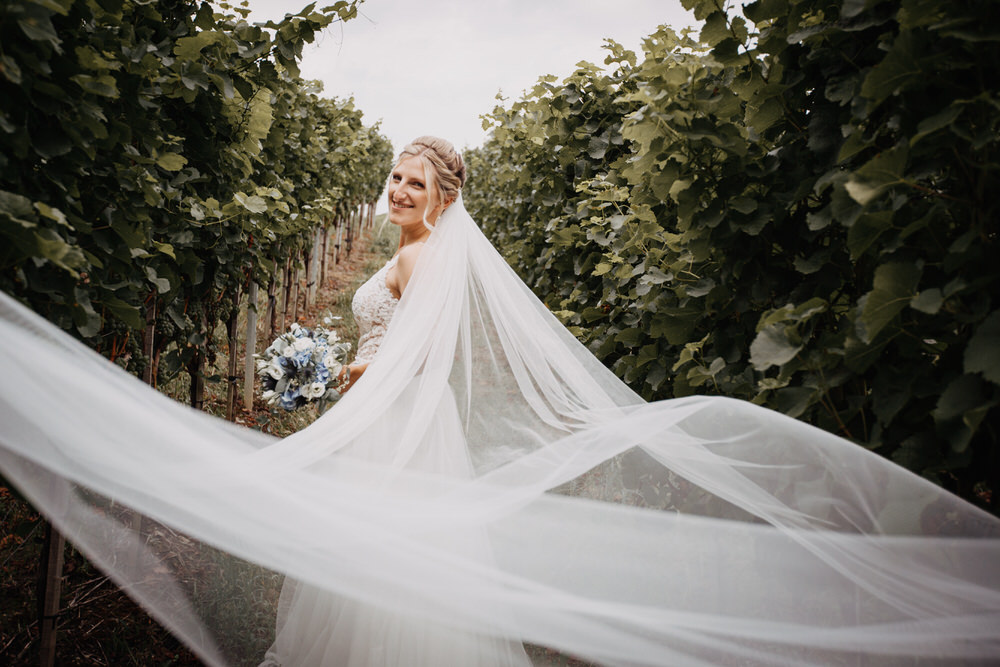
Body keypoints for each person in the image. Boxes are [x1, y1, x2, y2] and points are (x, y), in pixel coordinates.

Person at [0, 136, 998, 667]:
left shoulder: (429, 258)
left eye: (414, 181)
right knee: (366, 566)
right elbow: (391, 341)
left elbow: (414, 363)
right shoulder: (405, 251)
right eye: (392, 175)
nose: (395, 189)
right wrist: (336, 365)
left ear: (444, 198)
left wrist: (332, 375)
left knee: (386, 573)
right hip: (386, 421)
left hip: (398, 426)